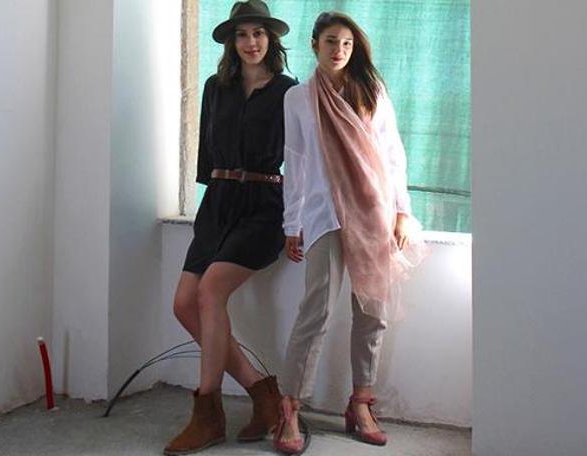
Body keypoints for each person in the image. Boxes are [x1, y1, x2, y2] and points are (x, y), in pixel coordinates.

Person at [273, 11, 427, 454]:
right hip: (323, 215)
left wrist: (401, 211)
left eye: (346, 43)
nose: (338, 50)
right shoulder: (298, 98)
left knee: (372, 312)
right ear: (314, 45)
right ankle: (290, 407)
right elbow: (295, 161)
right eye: (330, 42)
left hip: (372, 213)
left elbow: (392, 154)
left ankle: (360, 403)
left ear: (353, 48)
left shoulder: (371, 91)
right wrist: (291, 223)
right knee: (316, 310)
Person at [163, 1, 297, 454]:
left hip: (263, 205)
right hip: (219, 202)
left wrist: (298, 220)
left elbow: (302, 160)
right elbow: (206, 153)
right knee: (184, 304)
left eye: (259, 33)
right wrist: (212, 199)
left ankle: (208, 414)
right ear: (231, 41)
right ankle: (261, 391)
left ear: (270, 39)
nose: (251, 42)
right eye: (242, 34)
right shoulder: (214, 87)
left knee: (210, 291)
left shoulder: (289, 91)